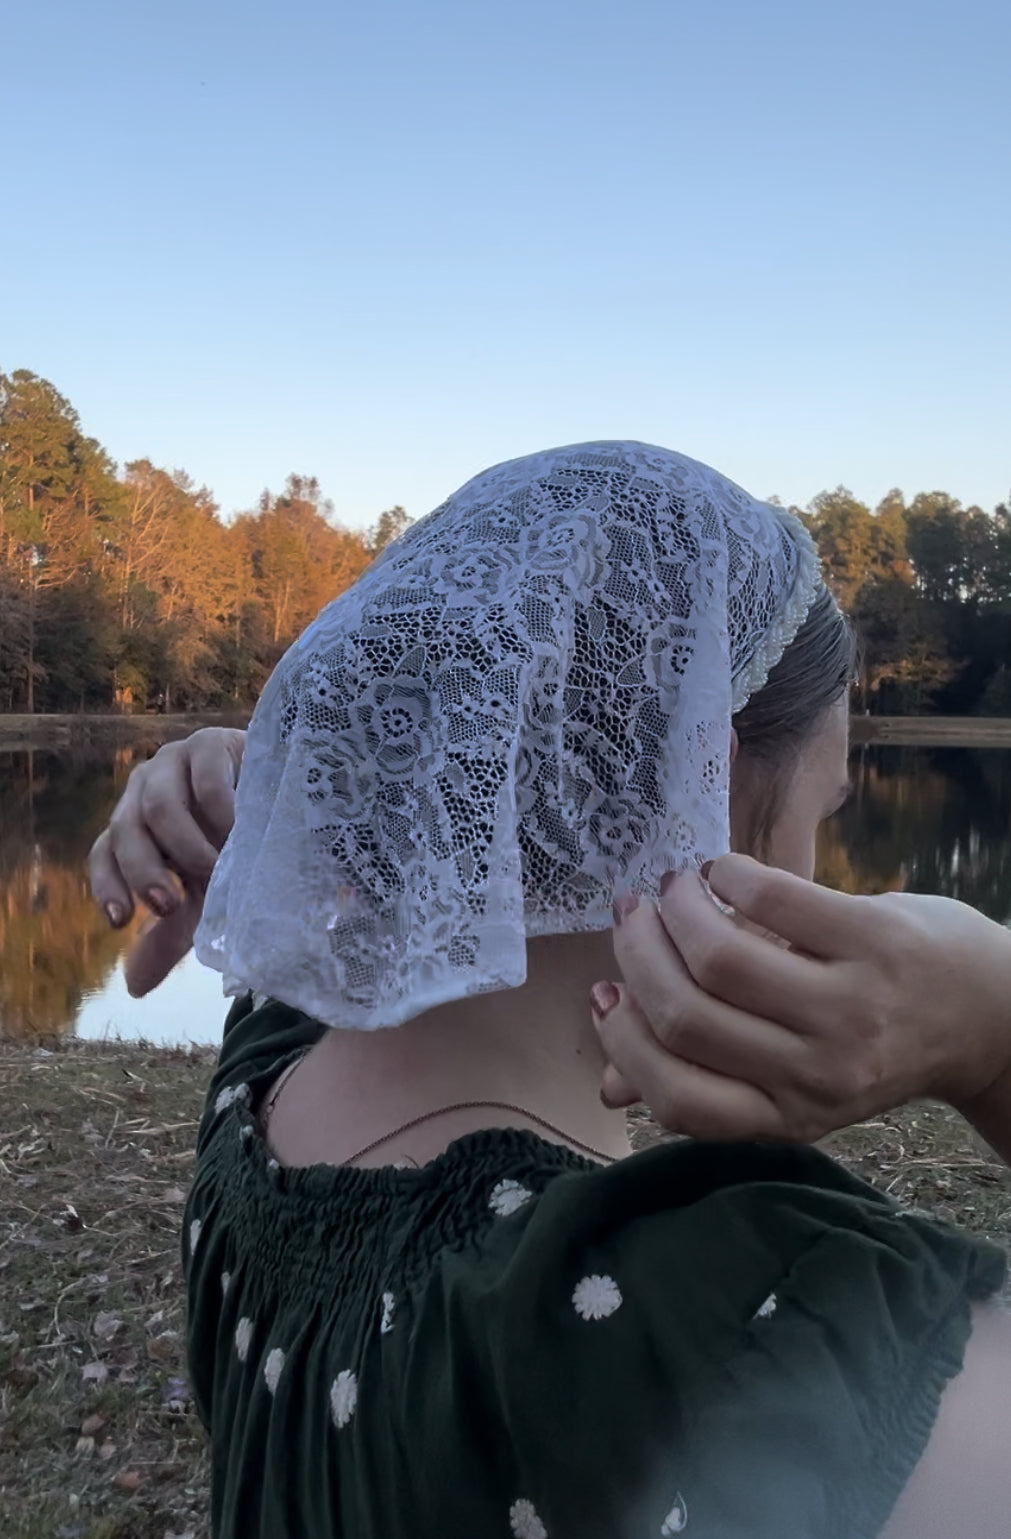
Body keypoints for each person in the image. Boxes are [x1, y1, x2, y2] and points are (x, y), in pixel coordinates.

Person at [89, 442, 1011, 1539]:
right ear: (694, 780)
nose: (815, 866)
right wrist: (992, 1038)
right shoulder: (737, 1310)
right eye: (827, 811)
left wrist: (290, 810)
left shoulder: (260, 1085)